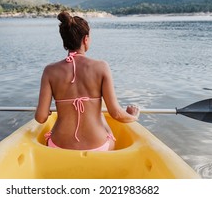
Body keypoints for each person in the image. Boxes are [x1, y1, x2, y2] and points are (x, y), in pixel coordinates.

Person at [35, 11, 139, 151]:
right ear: (85, 39)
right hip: (99, 147)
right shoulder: (101, 67)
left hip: (57, 145)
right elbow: (116, 113)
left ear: (64, 41)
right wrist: (133, 116)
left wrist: (47, 111)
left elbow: (41, 118)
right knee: (100, 116)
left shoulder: (49, 71)